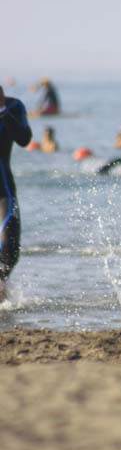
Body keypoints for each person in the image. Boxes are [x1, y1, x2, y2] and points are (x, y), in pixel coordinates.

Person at [0, 86, 32, 301]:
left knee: (10, 247)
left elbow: (24, 139)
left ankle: (2, 288)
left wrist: (2, 110)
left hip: (3, 189)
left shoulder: (13, 106)